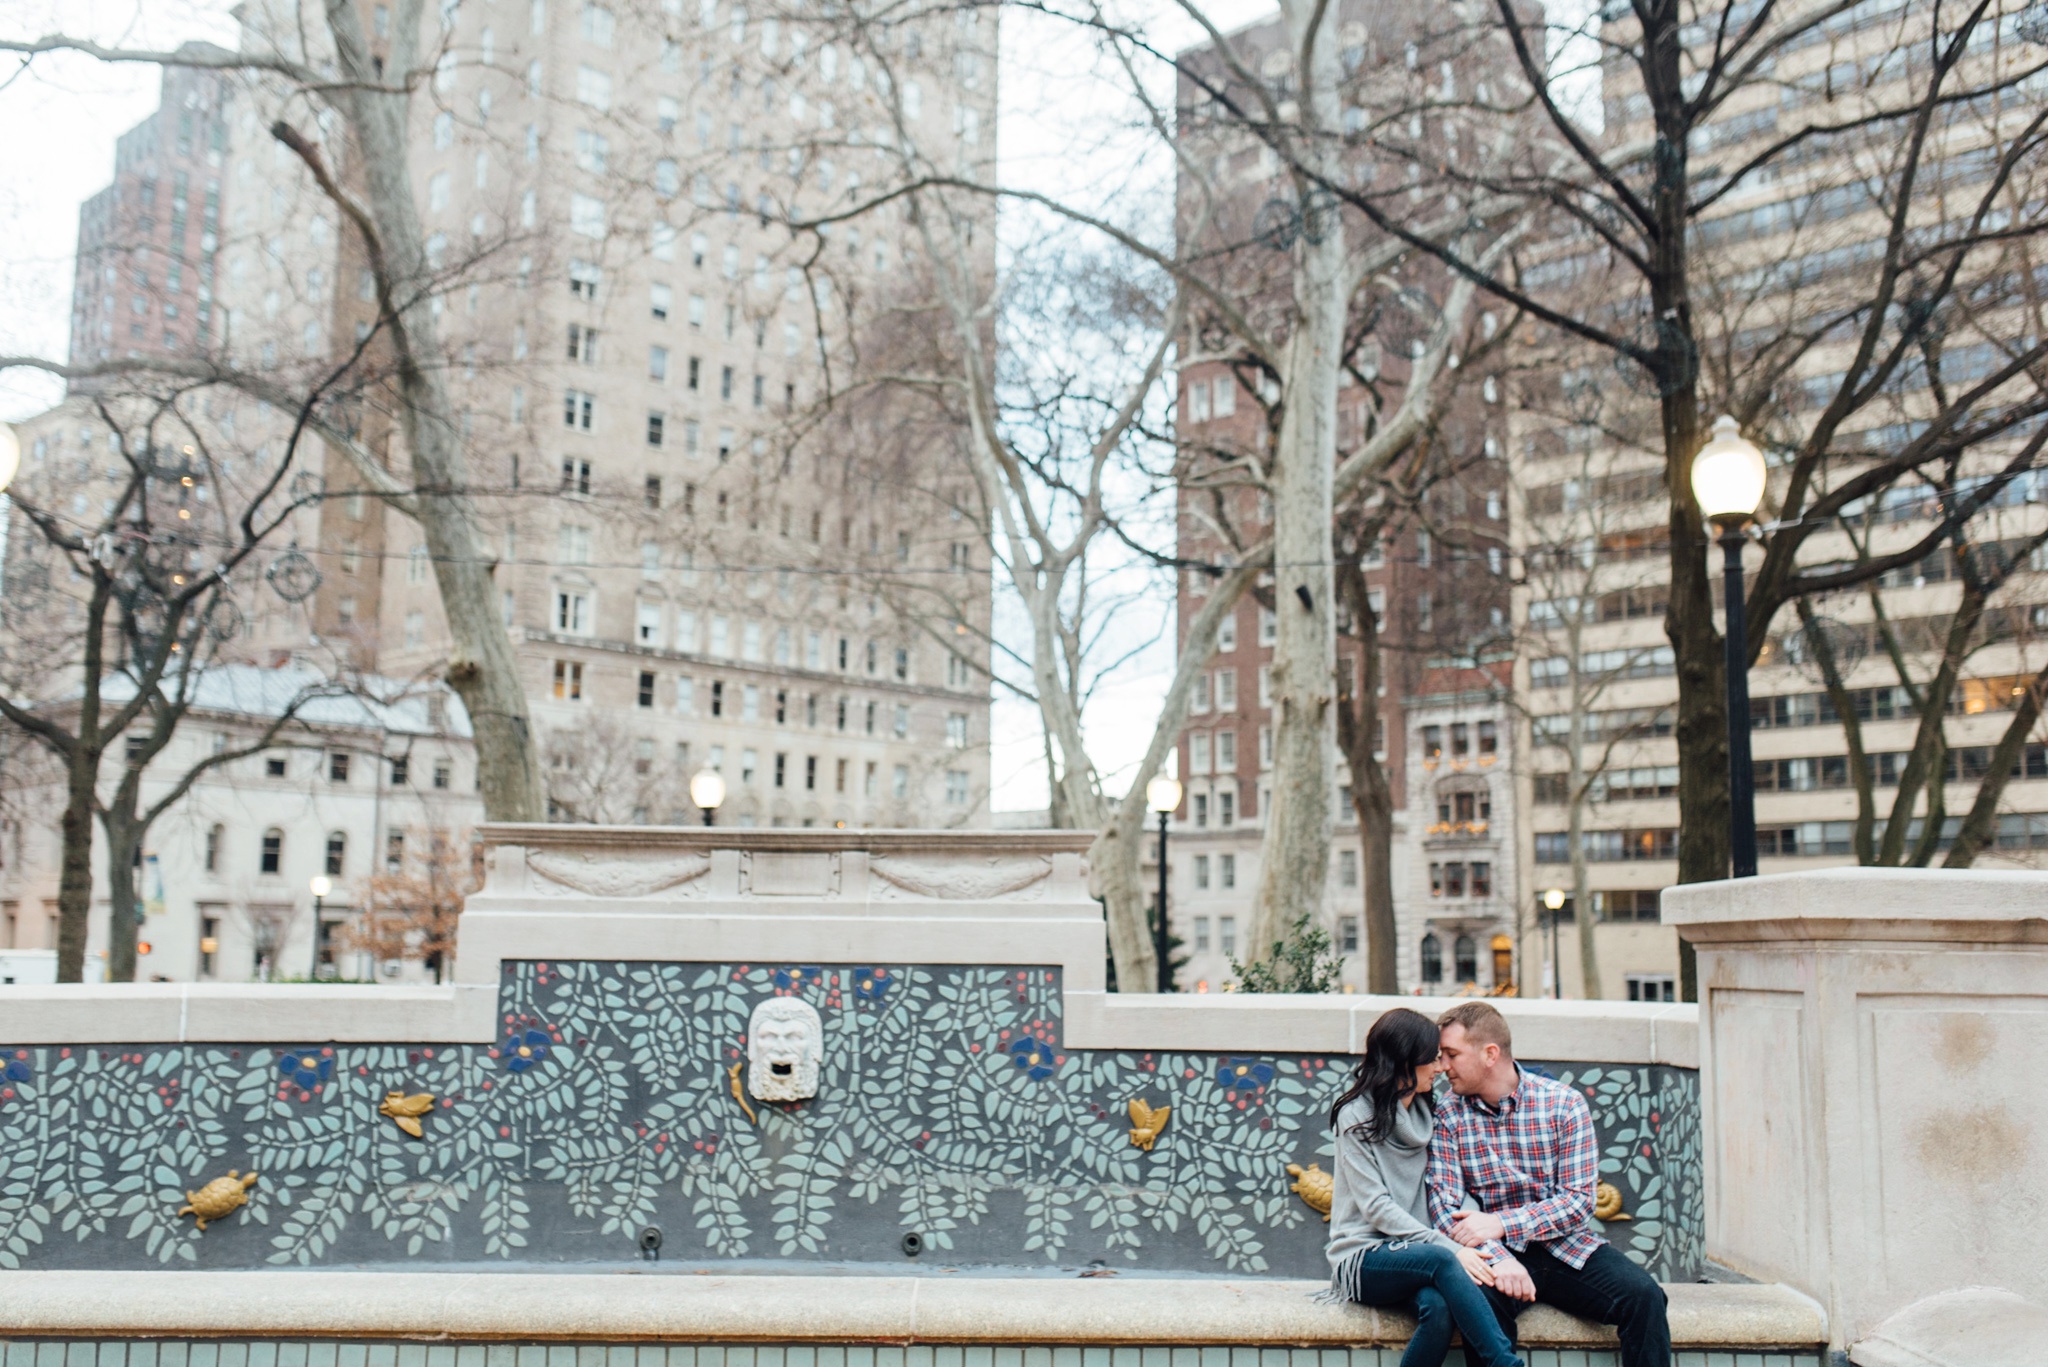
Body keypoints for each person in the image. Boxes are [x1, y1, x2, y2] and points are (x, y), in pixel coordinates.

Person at [1427, 1001, 1672, 1367]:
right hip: (1494, 1255)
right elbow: (1444, 1210)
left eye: (1451, 1054)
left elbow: (1578, 1202)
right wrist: (1500, 1255)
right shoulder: (1447, 1113)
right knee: (1477, 1309)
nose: (1443, 1066)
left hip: (1565, 1246)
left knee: (1645, 1298)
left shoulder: (1563, 1105)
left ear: (1490, 1053)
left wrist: (1502, 1223)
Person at [1326, 1007, 1526, 1367]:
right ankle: (1505, 1364)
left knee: (1439, 1309)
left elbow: (1449, 1184)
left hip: (1416, 1255)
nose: (1441, 1068)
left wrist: (1473, 1227)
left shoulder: (1427, 1113)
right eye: (1433, 1059)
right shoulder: (1355, 1116)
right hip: (1363, 1256)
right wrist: (1448, 1248)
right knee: (1440, 1259)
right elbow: (1376, 1207)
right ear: (1406, 1061)